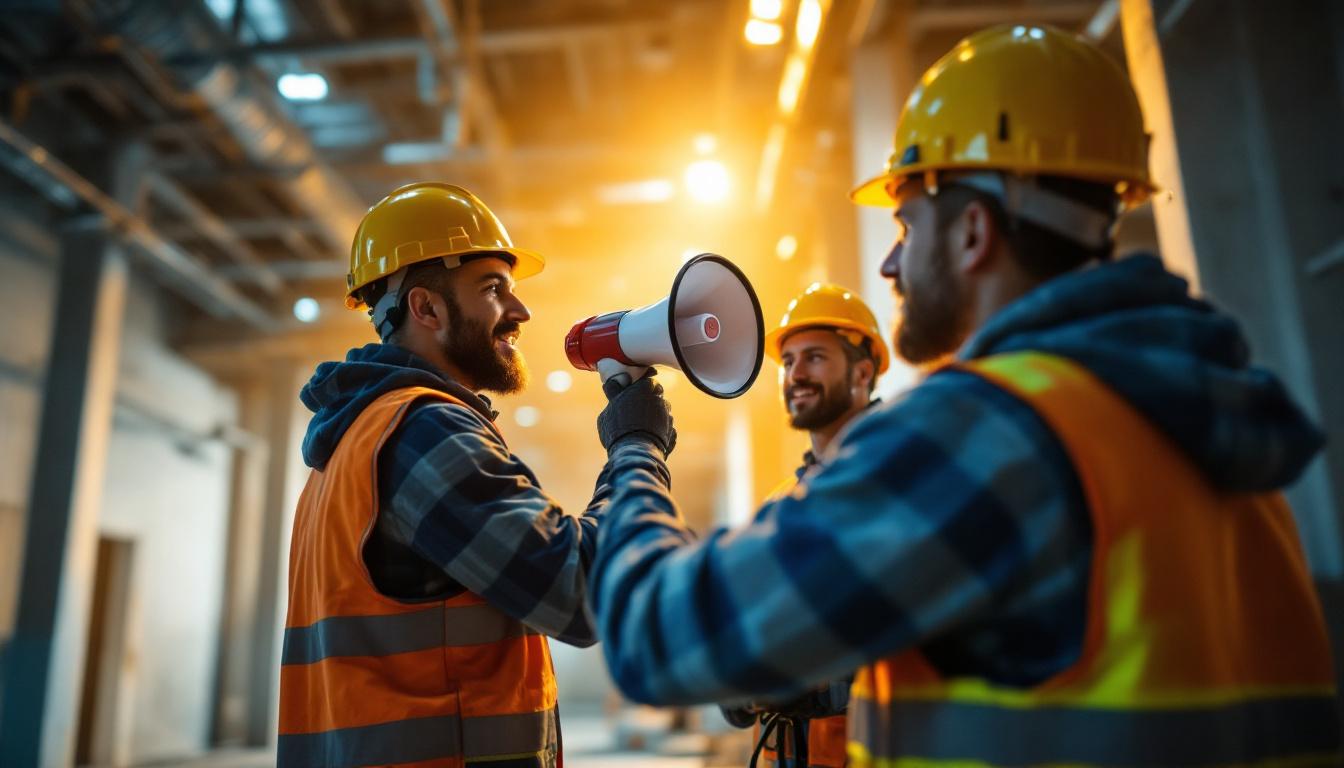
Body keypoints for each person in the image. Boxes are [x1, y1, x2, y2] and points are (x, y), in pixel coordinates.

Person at [587, 24, 1341, 766]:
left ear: (972, 231)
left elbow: (658, 638)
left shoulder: (993, 429)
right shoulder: (1201, 414)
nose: (888, 263)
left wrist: (636, 448)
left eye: (907, 224)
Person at [277, 182, 676, 768]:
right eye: (493, 289)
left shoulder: (349, 445)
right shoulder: (421, 430)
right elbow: (585, 593)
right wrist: (636, 445)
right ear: (427, 308)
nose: (521, 312)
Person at [721, 284, 890, 768]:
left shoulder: (895, 484)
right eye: (789, 361)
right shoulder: (781, 503)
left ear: (863, 372)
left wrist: (822, 686)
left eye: (814, 357)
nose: (796, 374)